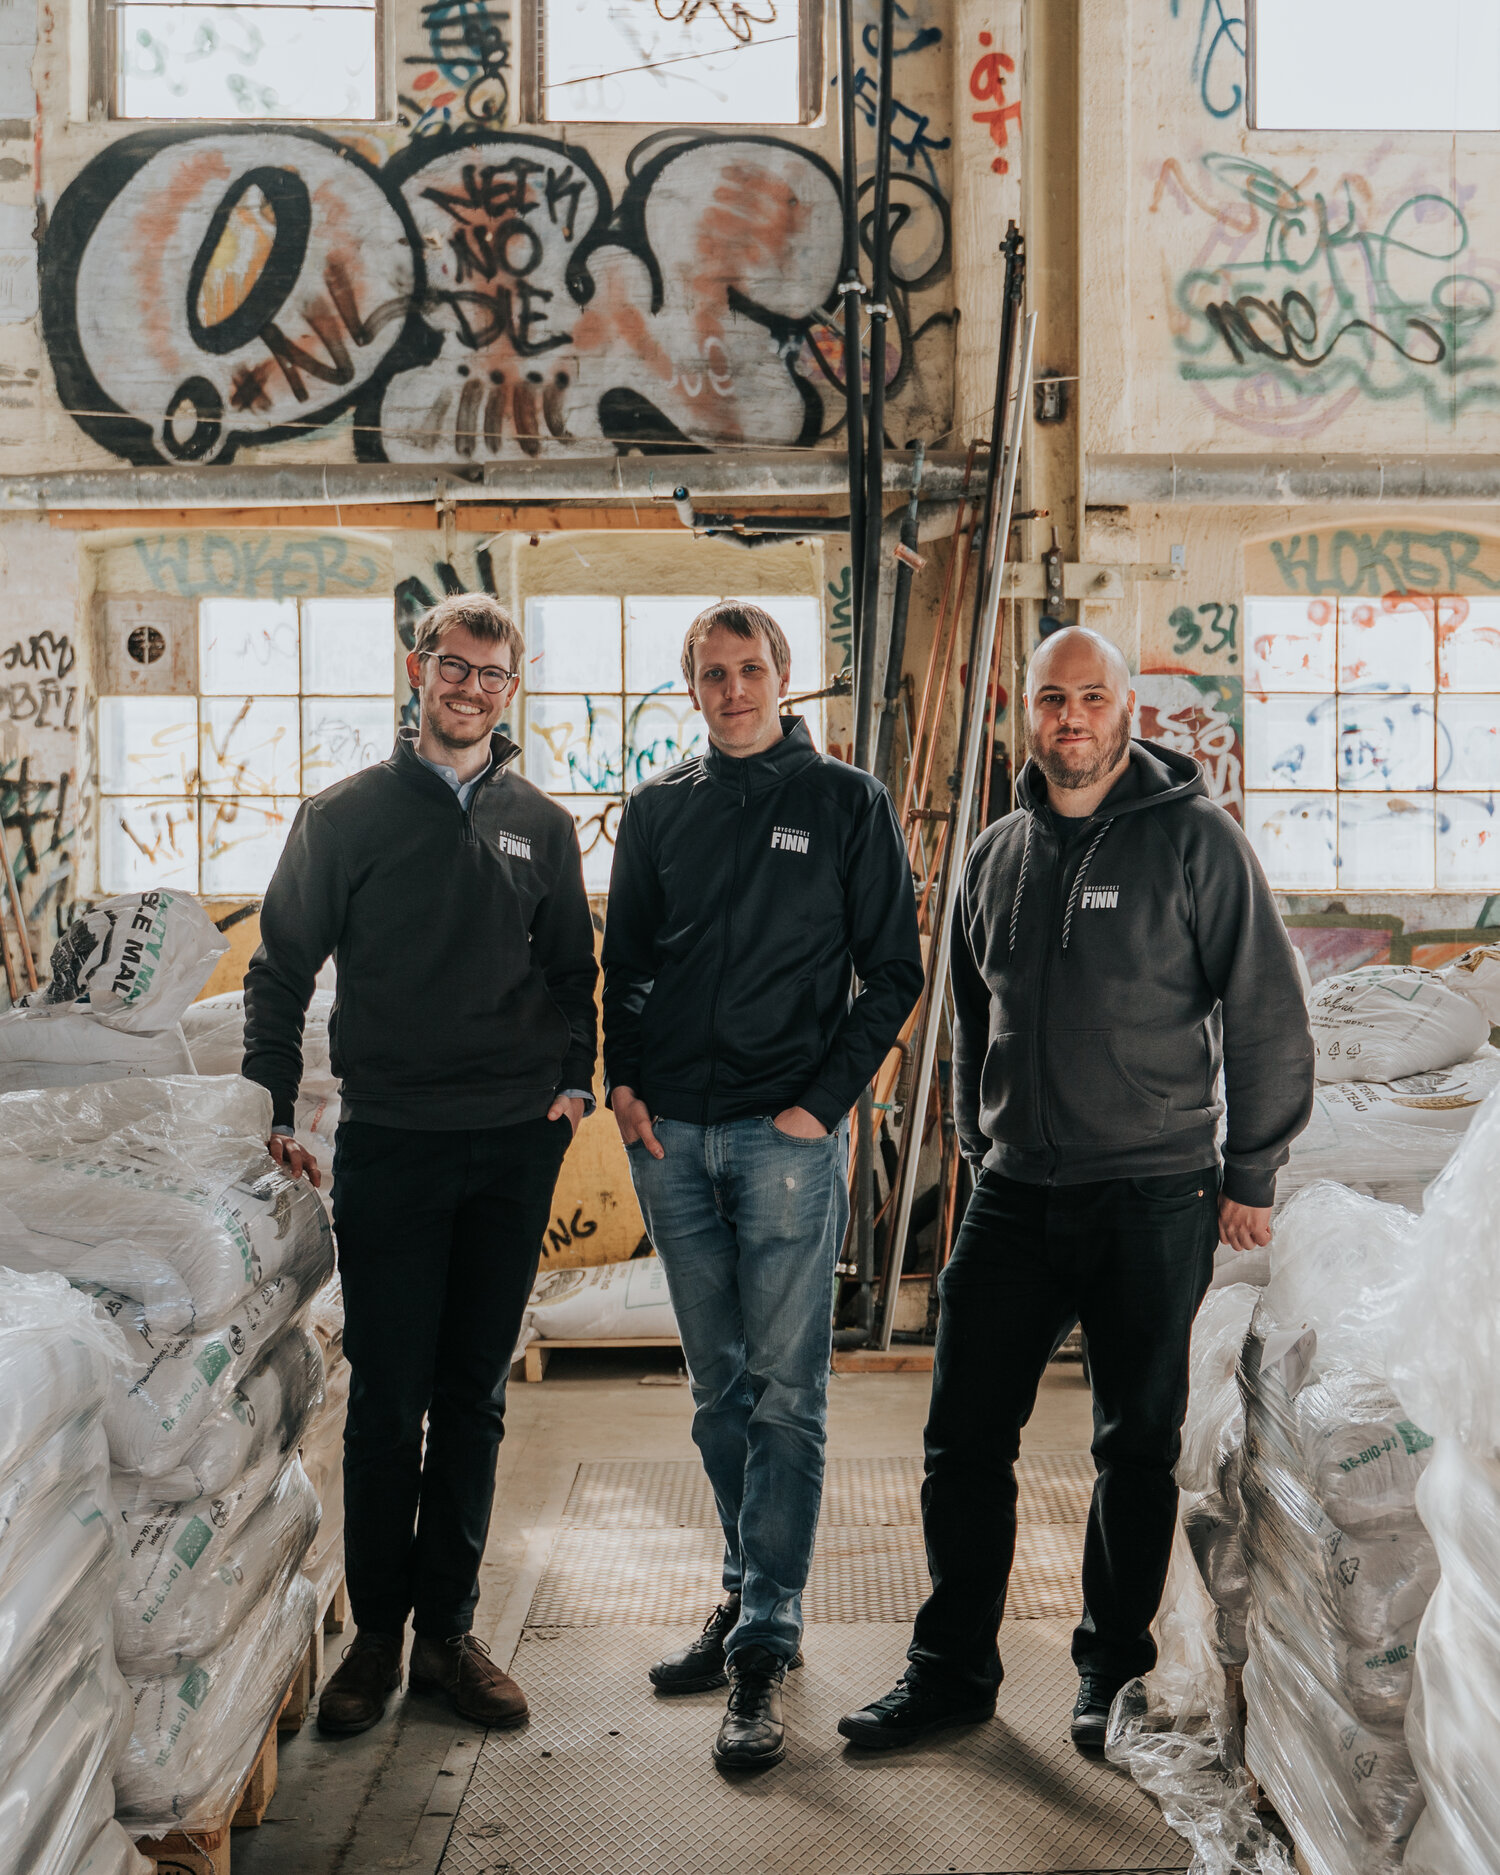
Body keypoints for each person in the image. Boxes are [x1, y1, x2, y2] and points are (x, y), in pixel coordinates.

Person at [839, 625, 1313, 1756]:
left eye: (1092, 697)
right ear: (1029, 711)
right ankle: (951, 1670)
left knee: (1134, 1444)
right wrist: (975, 1143)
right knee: (963, 1436)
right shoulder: (996, 853)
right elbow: (971, 1016)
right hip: (1015, 1193)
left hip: (1153, 1194)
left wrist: (1250, 1170)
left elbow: (1265, 1009)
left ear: (1125, 708)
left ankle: (1112, 1672)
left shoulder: (1197, 841)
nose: (1072, 718)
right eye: (1053, 698)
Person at [243, 592, 598, 1737]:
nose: (471, 689)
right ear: (418, 670)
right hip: (394, 1140)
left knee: (474, 1398)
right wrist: (270, 1106)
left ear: (511, 689)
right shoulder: (346, 817)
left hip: (511, 1149)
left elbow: (572, 971)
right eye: (455, 666)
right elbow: (279, 969)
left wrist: (571, 1085)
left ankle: (449, 1634)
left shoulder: (540, 825)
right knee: (390, 1403)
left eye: (492, 675)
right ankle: (376, 1642)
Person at [603, 599, 923, 1771]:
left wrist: (820, 1105)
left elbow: (895, 971)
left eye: (750, 668)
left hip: (786, 1138)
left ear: (783, 677)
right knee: (717, 1393)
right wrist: (623, 1082)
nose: (732, 689)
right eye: (711, 672)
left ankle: (765, 1641)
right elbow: (626, 961)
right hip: (672, 1140)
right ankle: (746, 1590)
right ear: (691, 687)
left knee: (786, 1394)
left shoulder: (847, 803)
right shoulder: (660, 809)